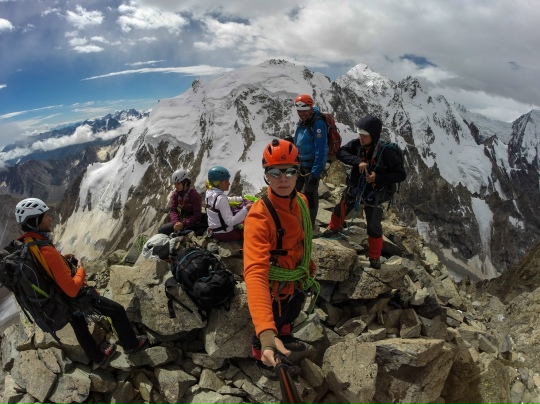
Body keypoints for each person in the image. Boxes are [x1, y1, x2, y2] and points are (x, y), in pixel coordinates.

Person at [14, 198, 147, 368]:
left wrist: (61, 260)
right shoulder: (45, 249)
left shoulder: (27, 245)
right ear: (35, 222)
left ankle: (99, 358)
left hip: (58, 300)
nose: (50, 219)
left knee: (79, 325)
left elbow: (44, 267)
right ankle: (131, 345)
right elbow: (72, 289)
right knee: (117, 310)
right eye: (45, 216)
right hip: (72, 298)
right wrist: (81, 270)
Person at [244, 139, 319, 371]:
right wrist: (266, 333)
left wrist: (307, 264)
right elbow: (255, 273)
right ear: (266, 175)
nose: (283, 178)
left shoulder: (301, 201)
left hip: (296, 276)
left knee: (291, 309)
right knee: (274, 318)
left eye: (290, 171)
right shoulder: (259, 216)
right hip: (273, 285)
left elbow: (303, 239)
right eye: (275, 172)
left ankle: (284, 337)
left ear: (298, 172)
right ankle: (263, 356)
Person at [320, 115, 407, 269]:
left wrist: (377, 177)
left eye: (364, 135)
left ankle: (375, 257)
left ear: (373, 135)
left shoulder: (386, 152)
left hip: (374, 192)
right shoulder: (357, 145)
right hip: (357, 187)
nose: (361, 138)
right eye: (360, 134)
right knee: (342, 207)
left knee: (373, 225)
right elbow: (340, 153)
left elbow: (401, 174)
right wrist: (357, 161)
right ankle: (332, 228)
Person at [292, 93, 328, 226]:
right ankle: (296, 220)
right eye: (299, 111)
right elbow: (303, 141)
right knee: (294, 192)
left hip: (311, 167)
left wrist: (315, 173)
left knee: (310, 195)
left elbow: (321, 150)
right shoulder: (305, 121)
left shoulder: (317, 123)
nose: (301, 114)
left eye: (304, 111)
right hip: (300, 164)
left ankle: (310, 225)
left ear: (310, 108)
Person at [205, 166, 253, 242]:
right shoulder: (221, 198)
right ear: (219, 183)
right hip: (226, 234)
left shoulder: (209, 192)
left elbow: (226, 199)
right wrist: (246, 209)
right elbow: (230, 222)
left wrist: (241, 199)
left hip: (215, 231)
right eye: (226, 181)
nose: (229, 183)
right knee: (252, 232)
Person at [158, 169, 204, 236]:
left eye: (178, 183)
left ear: (185, 182)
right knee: (161, 230)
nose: (176, 186)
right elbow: (173, 210)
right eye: (175, 184)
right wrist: (176, 222)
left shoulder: (195, 196)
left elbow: (197, 216)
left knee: (180, 234)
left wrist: (183, 224)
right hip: (179, 222)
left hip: (191, 224)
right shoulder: (176, 194)